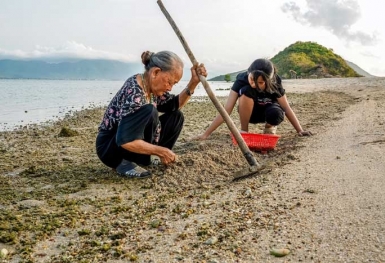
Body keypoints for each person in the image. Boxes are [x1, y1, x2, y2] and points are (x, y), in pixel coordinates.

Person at [96, 51, 207, 179]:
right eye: (169, 82)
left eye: (173, 84)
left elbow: (173, 105)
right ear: (155, 72)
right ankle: (125, 163)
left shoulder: (151, 87)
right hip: (111, 148)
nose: (170, 88)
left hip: (132, 140)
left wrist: (193, 83)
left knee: (176, 116)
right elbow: (125, 141)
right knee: (150, 111)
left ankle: (149, 158)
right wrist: (161, 151)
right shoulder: (135, 92)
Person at [193, 58, 311, 140]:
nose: (255, 85)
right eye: (252, 80)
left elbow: (286, 107)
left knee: (276, 112)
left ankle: (269, 128)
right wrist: (206, 134)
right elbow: (226, 110)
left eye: (260, 82)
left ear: (268, 80)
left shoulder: (276, 81)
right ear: (248, 73)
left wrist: (299, 130)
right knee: (246, 91)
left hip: (269, 112)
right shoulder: (241, 79)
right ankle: (244, 131)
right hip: (250, 114)